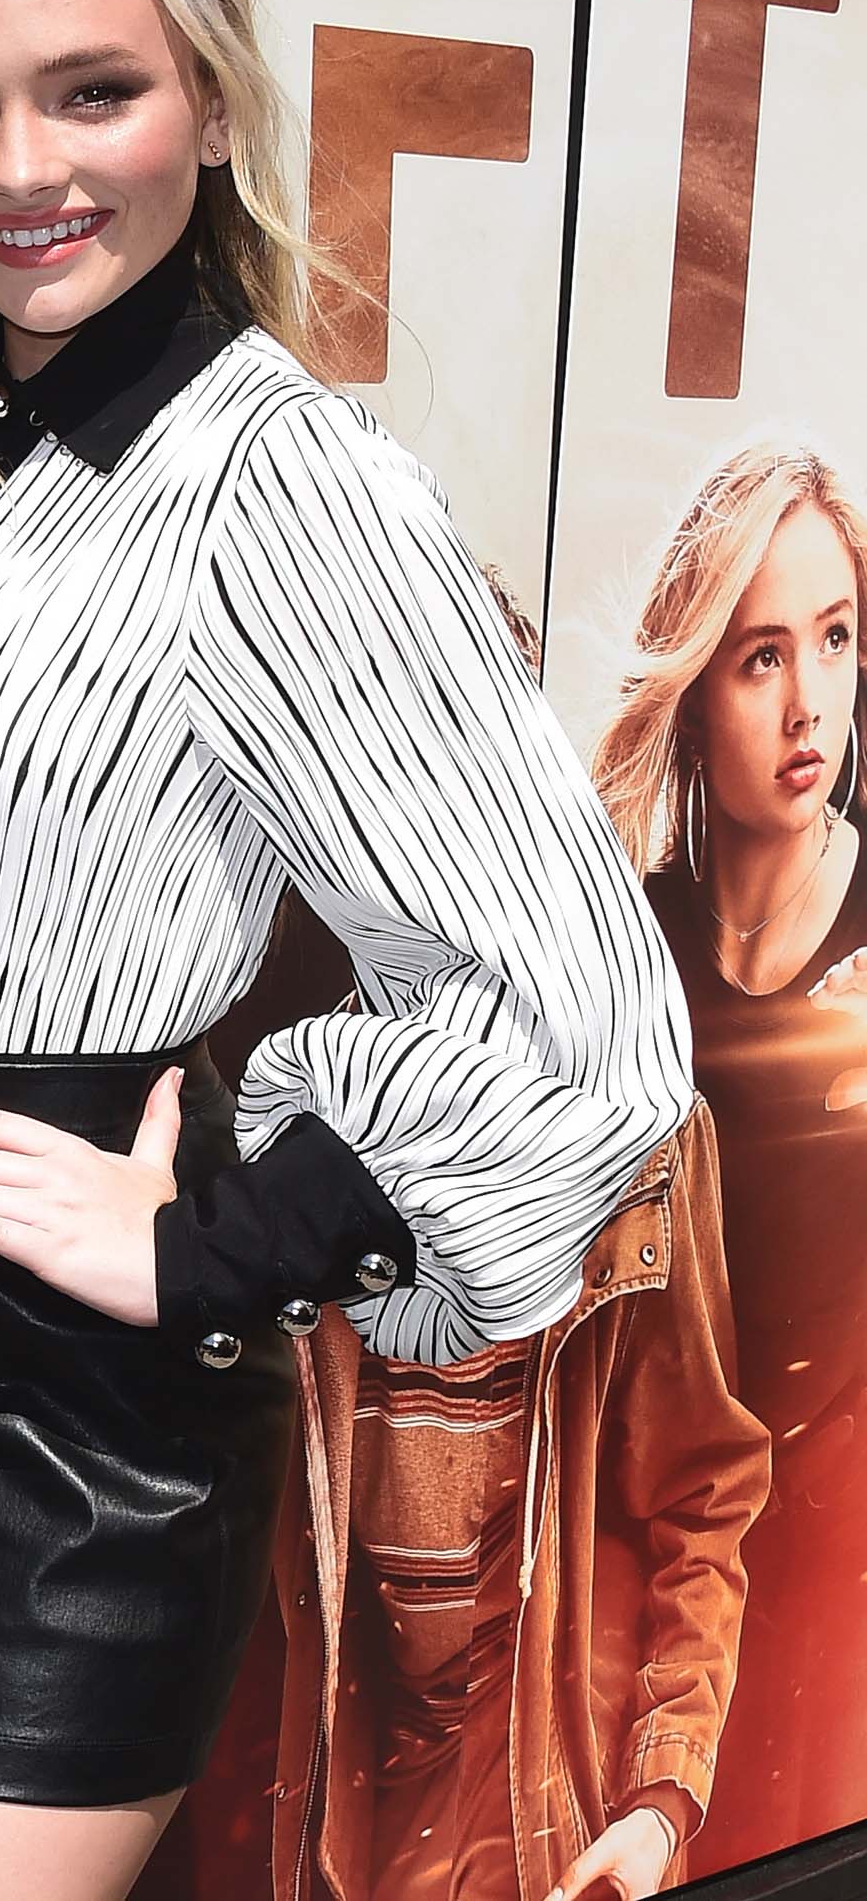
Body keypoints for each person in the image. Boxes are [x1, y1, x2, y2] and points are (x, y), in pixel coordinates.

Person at [0, 0, 689, 1901]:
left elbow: (581, 1000)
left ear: (211, 103)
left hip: (55, 1457)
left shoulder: (282, 477)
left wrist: (222, 1239)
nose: (21, 167)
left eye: (94, 90)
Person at [250, 578, 766, 1901]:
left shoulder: (645, 1134)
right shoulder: (268, 1098)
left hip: (534, 1804)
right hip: (324, 1804)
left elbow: (702, 1491)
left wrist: (659, 1797)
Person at [591, 441, 867, 1876]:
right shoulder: (616, 952)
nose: (811, 700)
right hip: (658, 1556)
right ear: (694, 690)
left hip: (845, 1553)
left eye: (835, 638)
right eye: (762, 655)